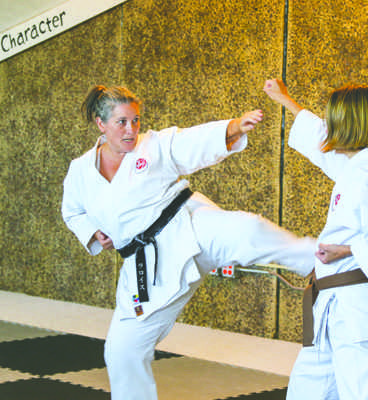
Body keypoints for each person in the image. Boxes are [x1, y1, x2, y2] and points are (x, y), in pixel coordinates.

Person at [61, 85, 317, 400]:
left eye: (136, 120)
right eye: (122, 122)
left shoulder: (153, 146)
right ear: (101, 125)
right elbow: (71, 211)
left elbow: (190, 141)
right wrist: (92, 232)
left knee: (247, 230)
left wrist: (234, 126)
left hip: (187, 225)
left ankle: (320, 261)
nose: (132, 129)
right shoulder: (80, 171)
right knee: (121, 351)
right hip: (147, 266)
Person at [264, 79, 368, 400]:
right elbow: (319, 139)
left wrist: (344, 250)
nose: (328, 127)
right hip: (338, 304)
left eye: (333, 120)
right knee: (308, 390)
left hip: (357, 307)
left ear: (348, 125)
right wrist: (286, 99)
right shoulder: (362, 162)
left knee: (362, 392)